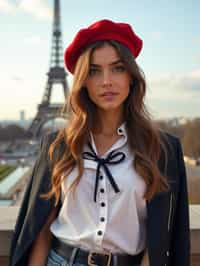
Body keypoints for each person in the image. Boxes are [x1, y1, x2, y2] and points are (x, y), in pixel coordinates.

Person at [9, 19, 190, 266]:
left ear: (131, 77)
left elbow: (161, 234)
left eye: (117, 68)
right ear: (83, 80)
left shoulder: (163, 150)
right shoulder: (58, 145)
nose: (106, 81)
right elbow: (40, 228)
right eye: (94, 71)